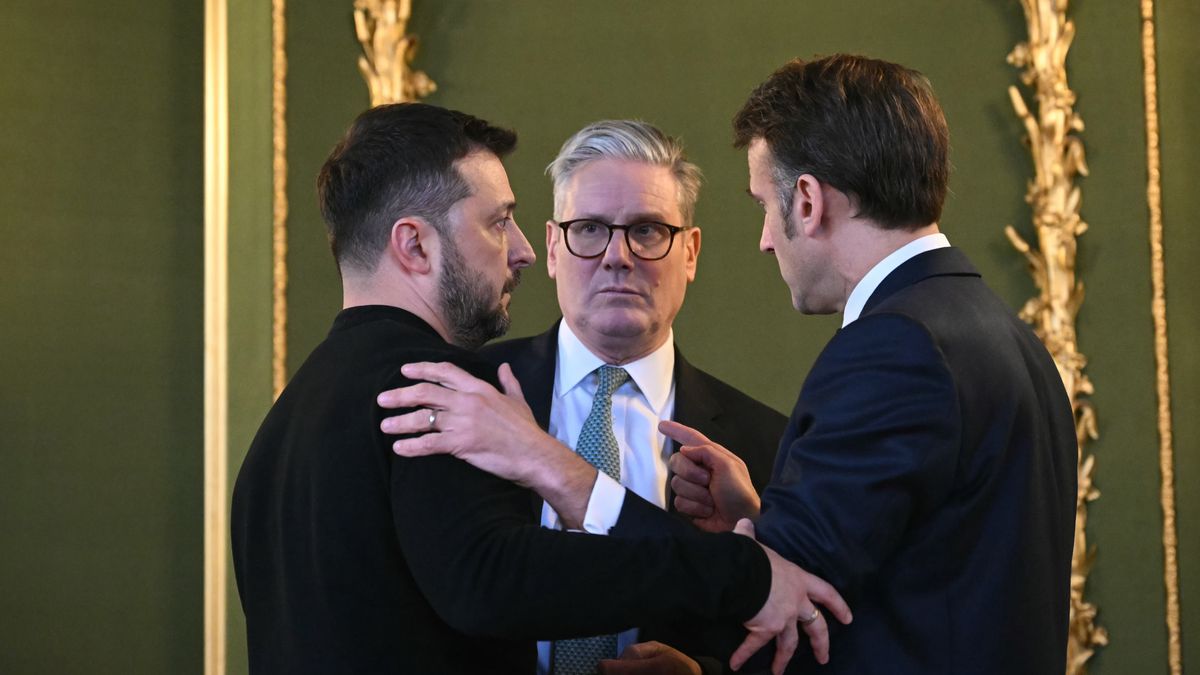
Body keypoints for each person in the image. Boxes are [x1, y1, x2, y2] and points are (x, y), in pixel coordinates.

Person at [380, 55, 1077, 674]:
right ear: (556, 247)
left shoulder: (893, 349)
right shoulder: (1009, 337)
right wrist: (755, 521)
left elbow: (783, 606)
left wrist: (557, 471)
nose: (768, 240)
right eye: (590, 229)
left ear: (806, 200)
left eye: (765, 207)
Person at [231, 102, 849, 675]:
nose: (520, 250)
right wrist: (742, 574)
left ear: (690, 252)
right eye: (500, 222)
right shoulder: (442, 390)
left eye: (648, 232)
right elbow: (496, 578)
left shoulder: (281, 423)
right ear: (414, 244)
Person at [479, 120, 786, 672]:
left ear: (689, 253)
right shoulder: (473, 395)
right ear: (552, 248)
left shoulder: (766, 447)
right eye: (591, 229)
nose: (618, 256)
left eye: (647, 231)